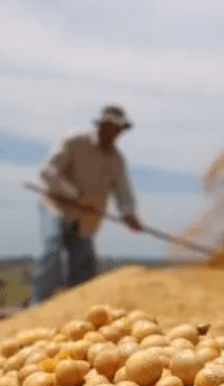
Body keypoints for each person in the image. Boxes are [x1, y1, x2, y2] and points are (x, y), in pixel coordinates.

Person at [31, 104, 143, 304]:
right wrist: (74, 194)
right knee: (52, 250)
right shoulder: (75, 141)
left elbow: (123, 191)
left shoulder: (116, 160)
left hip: (86, 218)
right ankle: (38, 305)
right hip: (56, 207)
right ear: (101, 125)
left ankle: (77, 309)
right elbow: (48, 172)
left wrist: (129, 214)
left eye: (119, 129)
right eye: (111, 127)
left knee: (84, 268)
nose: (115, 133)